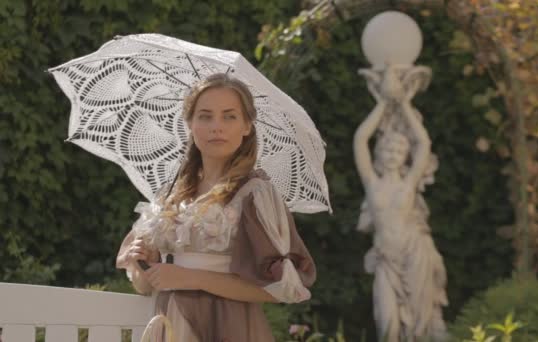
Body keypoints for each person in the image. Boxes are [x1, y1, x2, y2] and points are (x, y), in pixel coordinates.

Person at [116, 73, 316, 341]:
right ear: (190, 123)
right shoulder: (170, 195)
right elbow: (144, 286)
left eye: (229, 116)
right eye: (205, 116)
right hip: (169, 326)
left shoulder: (255, 194)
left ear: (247, 126)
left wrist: (190, 278)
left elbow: (279, 289)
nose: (216, 127)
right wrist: (145, 265)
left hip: (227, 327)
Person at [354, 65, 447, 342]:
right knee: (388, 325)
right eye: (389, 149)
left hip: (414, 253)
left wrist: (405, 103)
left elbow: (423, 141)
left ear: (404, 156)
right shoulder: (372, 182)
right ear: (380, 154)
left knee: (419, 327)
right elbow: (360, 139)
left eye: (399, 150)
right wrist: (382, 103)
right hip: (387, 258)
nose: (394, 154)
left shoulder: (409, 184)